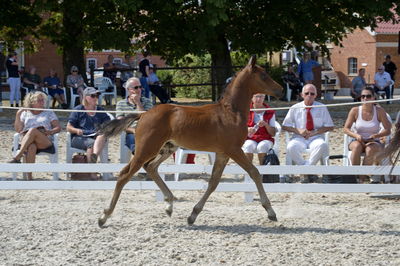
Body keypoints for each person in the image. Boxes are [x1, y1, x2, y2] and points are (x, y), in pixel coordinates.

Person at [282, 84, 334, 183]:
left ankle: (305, 171)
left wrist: (315, 132)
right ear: (302, 95)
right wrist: (298, 131)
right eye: (306, 93)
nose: (309, 95)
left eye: (312, 93)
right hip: (299, 137)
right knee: (290, 147)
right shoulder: (295, 107)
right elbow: (285, 126)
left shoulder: (322, 107)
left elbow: (330, 126)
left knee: (322, 145)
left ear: (316, 95)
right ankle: (308, 171)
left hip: (316, 137)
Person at [7, 91, 61, 180]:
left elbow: (58, 128)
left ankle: (17, 157)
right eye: (39, 100)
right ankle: (29, 177)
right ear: (32, 102)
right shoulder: (25, 113)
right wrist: (18, 114)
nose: (42, 102)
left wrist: (49, 131)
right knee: (32, 146)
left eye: (43, 100)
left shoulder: (49, 112)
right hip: (28, 141)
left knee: (33, 130)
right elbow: (18, 130)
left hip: (44, 140)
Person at [344, 87, 391, 183]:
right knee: (356, 146)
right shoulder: (355, 110)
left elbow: (388, 130)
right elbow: (345, 129)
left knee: (370, 149)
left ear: (374, 98)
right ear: (360, 98)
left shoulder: (379, 111)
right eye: (363, 96)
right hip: (357, 140)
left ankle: (361, 178)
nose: (365, 98)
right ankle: (355, 175)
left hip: (374, 141)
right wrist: (356, 135)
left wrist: (376, 135)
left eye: (368, 96)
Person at [67, 87, 110, 164]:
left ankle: (94, 157)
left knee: (101, 136)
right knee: (92, 143)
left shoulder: (100, 110)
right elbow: (68, 127)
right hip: (79, 137)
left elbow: (108, 124)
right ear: (85, 97)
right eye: (93, 96)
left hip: (96, 136)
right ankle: (92, 171)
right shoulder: (78, 110)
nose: (95, 98)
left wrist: (103, 129)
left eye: (97, 96)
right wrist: (76, 130)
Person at [116, 77, 153, 153]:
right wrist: (133, 130)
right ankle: (140, 157)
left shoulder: (147, 102)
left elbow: (146, 119)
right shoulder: (121, 104)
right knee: (134, 141)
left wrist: (138, 103)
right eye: (136, 87)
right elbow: (120, 124)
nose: (139, 89)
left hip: (147, 131)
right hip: (131, 132)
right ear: (129, 89)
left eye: (140, 87)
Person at [242, 93, 276, 164]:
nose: (259, 99)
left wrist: (266, 124)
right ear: (251, 98)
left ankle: (263, 172)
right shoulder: (245, 110)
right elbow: (238, 127)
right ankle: (249, 171)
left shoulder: (270, 111)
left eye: (261, 97)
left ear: (264, 98)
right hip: (250, 138)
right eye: (257, 96)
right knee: (248, 146)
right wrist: (247, 129)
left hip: (266, 138)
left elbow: (273, 133)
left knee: (262, 146)